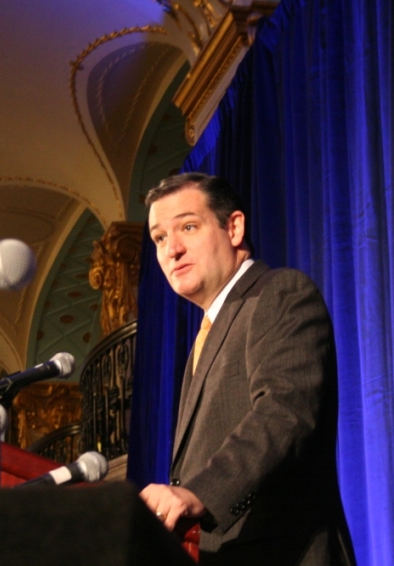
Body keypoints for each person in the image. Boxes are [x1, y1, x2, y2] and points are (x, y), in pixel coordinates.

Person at [139, 173, 355, 565]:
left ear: (234, 227)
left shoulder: (279, 292)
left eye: (188, 226)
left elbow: (285, 412)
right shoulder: (208, 334)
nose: (172, 249)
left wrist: (198, 493)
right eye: (159, 238)